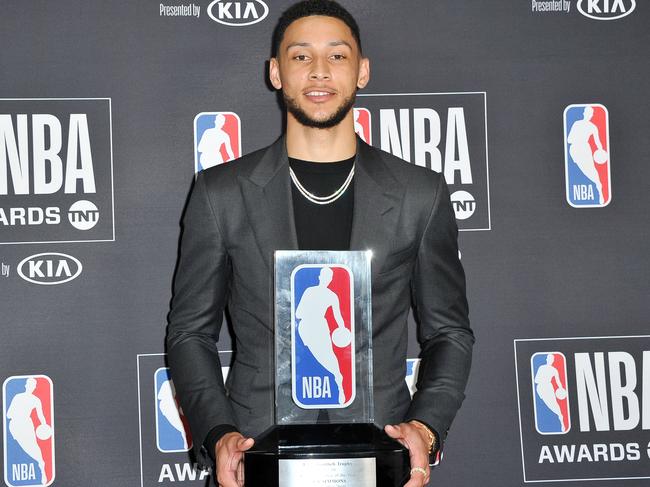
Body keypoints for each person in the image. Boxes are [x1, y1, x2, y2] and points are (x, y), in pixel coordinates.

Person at [166, 1, 474, 486]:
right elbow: (190, 333)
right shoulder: (220, 193)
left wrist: (425, 428)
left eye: (337, 56)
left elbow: (449, 332)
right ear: (276, 73)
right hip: (255, 458)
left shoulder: (420, 194)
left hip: (384, 455)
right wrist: (219, 432)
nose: (319, 72)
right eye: (300, 56)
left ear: (362, 71)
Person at [6, 377, 49, 485]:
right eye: (30, 384)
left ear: (34, 387)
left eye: (33, 385)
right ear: (26, 385)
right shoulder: (18, 397)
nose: (31, 387)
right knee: (25, 447)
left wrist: (44, 425)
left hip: (27, 426)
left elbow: (41, 415)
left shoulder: (35, 400)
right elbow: (8, 414)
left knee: (34, 447)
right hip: (15, 426)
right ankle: (40, 463)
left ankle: (41, 465)